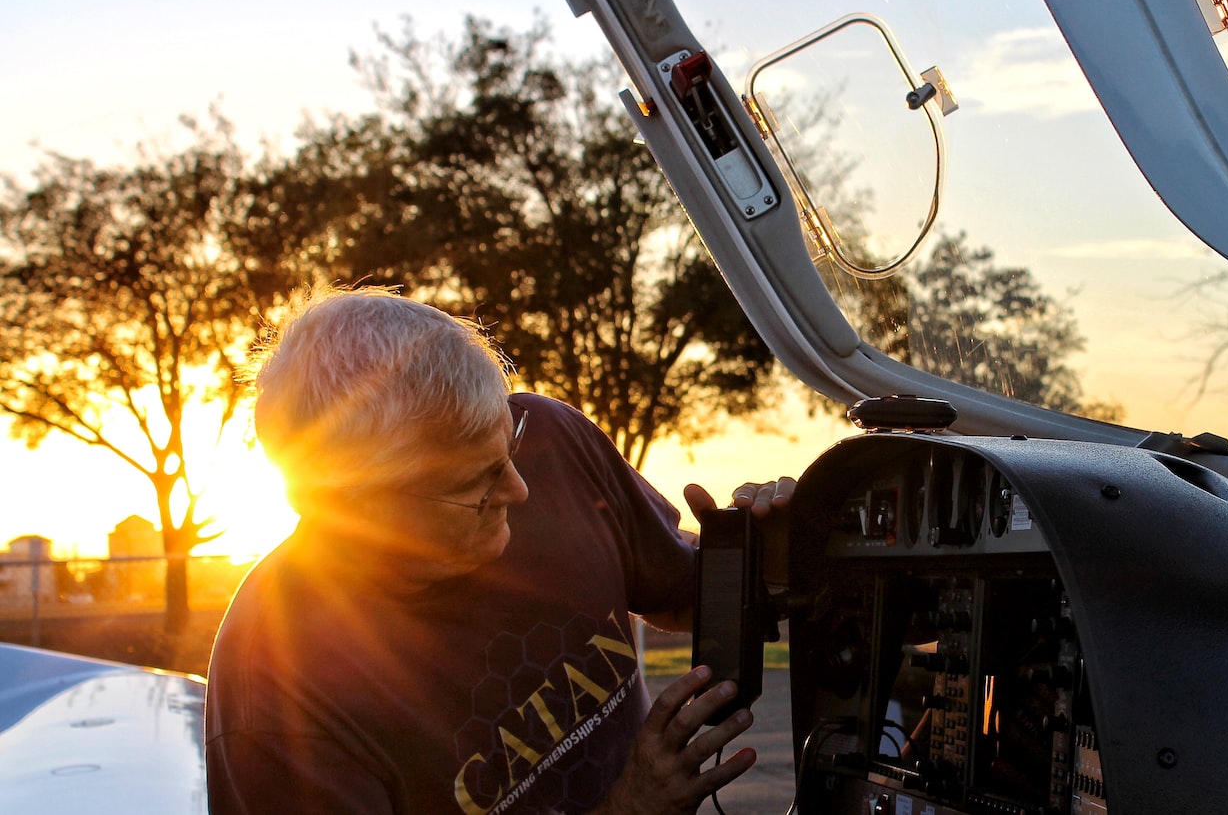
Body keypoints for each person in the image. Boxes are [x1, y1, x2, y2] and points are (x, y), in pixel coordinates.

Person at [204, 287, 793, 814]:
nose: (520, 488)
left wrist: (772, 557)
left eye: (507, 441)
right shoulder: (276, 698)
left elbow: (680, 593)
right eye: (474, 484)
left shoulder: (549, 440)